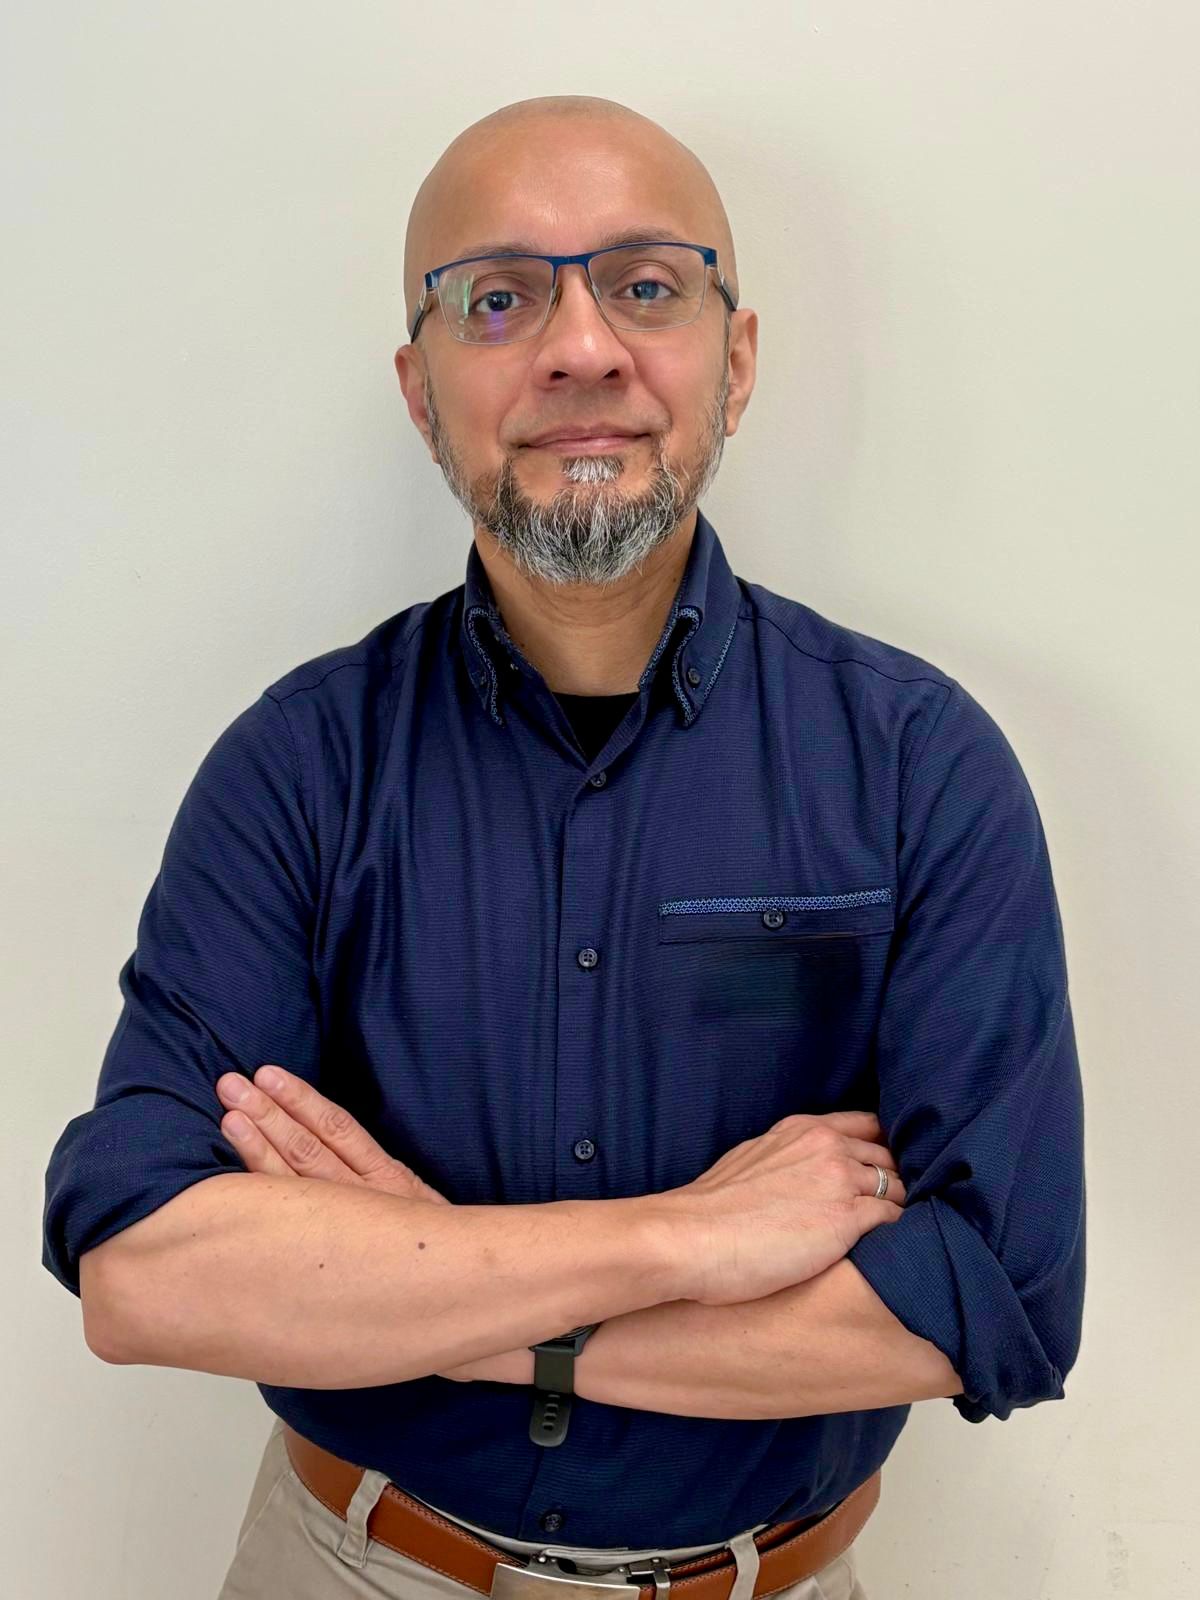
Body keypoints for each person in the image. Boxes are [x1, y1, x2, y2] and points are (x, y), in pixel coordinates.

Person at [42, 94, 1086, 1600]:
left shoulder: (921, 764)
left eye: (647, 285)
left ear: (736, 359)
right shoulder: (299, 767)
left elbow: (990, 1301)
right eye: (499, 298)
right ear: (422, 391)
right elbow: (144, 1270)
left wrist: (443, 1296)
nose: (581, 346)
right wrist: (677, 1239)